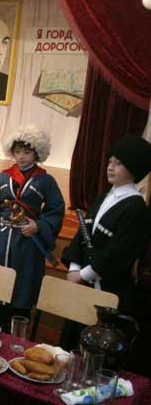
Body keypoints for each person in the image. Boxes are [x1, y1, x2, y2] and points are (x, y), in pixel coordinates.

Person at [0, 124, 65, 332]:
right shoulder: (2, 177)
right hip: (2, 242)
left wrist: (38, 225)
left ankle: (17, 335)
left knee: (22, 293)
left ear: (37, 153)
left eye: (26, 152)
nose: (21, 157)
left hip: (27, 245)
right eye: (17, 152)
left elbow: (56, 210)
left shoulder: (46, 181)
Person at [62, 135, 151, 334]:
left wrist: (83, 274)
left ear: (134, 168)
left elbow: (119, 252)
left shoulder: (136, 207)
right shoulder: (103, 197)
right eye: (110, 161)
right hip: (83, 285)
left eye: (118, 163)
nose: (110, 167)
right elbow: (82, 235)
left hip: (107, 291)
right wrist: (74, 268)